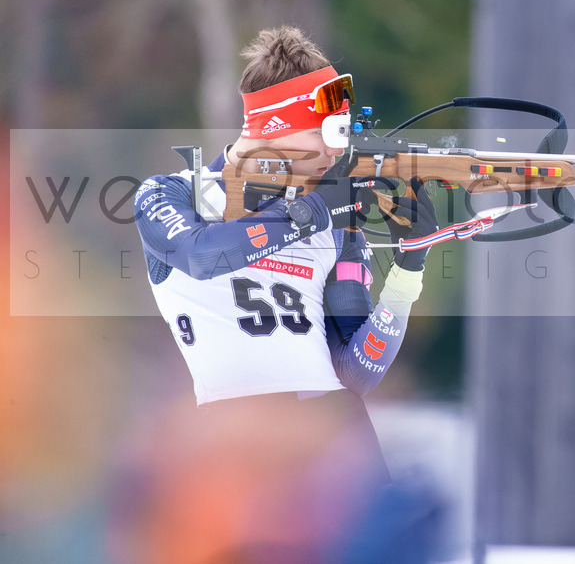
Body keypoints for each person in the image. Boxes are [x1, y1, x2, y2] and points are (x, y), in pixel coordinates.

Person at [132, 26, 438, 511]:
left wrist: (409, 267)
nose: (337, 151)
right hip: (232, 447)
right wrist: (313, 212)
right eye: (327, 132)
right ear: (275, 129)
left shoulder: (333, 219)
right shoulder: (172, 193)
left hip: (333, 446)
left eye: (343, 133)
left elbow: (356, 372)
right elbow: (201, 256)